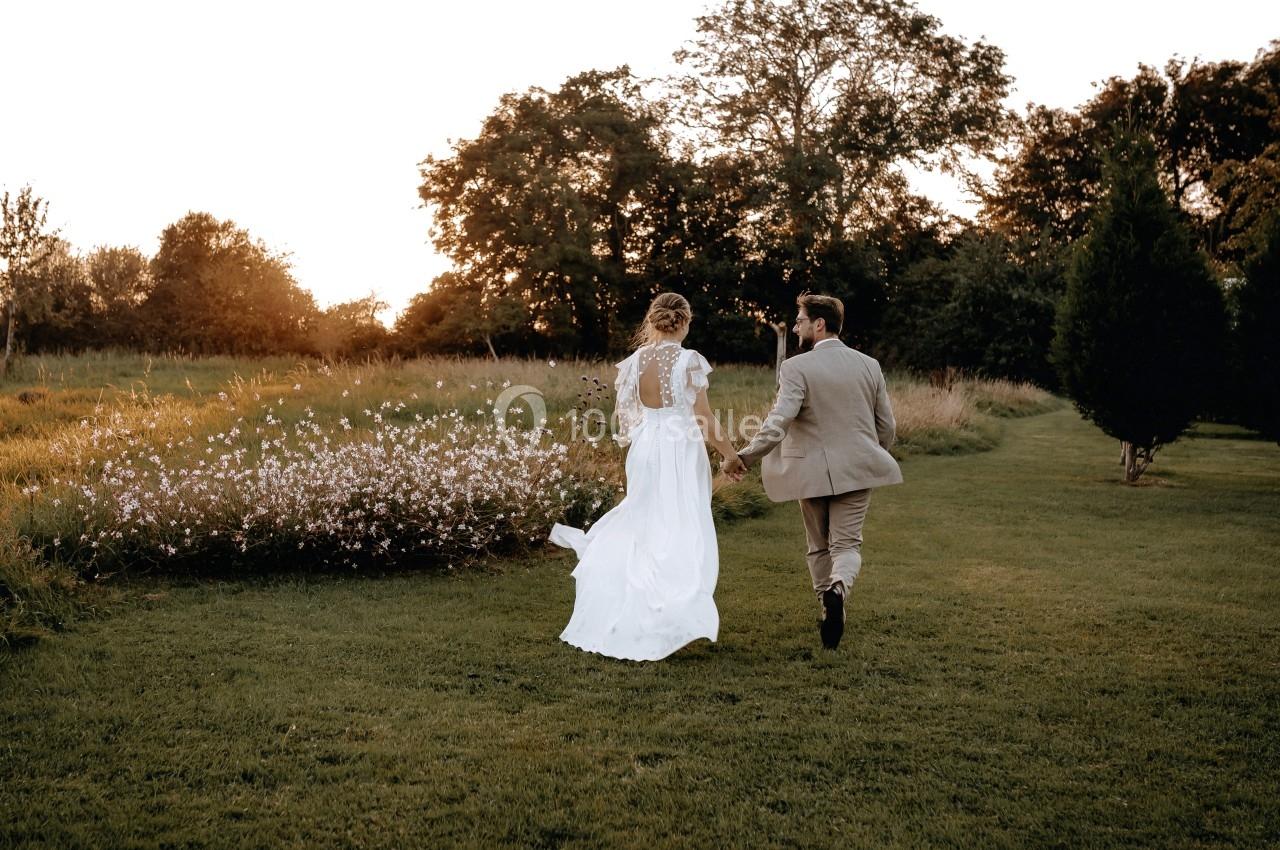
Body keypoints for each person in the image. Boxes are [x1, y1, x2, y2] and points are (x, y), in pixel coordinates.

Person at [549, 292, 744, 661]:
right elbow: (702, 416)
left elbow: (627, 417)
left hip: (646, 446)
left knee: (645, 522)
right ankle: (670, 609)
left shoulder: (636, 360)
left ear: (654, 321)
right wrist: (730, 455)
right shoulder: (689, 360)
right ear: (684, 321)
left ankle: (646, 609)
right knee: (681, 525)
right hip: (679, 447)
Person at [729, 293, 901, 650]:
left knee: (819, 546)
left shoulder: (795, 368)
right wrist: (871, 454)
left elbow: (779, 421)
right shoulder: (870, 365)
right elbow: (887, 426)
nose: (795, 327)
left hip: (809, 472)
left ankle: (828, 606)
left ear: (819, 324)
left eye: (800, 321)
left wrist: (745, 456)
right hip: (858, 468)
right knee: (847, 544)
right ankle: (838, 588)